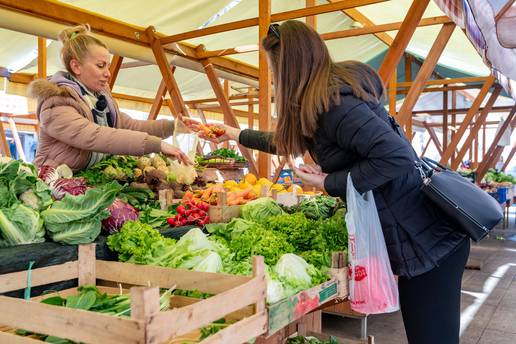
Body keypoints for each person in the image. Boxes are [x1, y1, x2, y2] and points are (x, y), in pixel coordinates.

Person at [189, 20, 470, 344]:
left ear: (290, 66)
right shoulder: (321, 101)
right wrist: (234, 133)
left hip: (428, 241)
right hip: (416, 237)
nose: (276, 78)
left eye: (275, 68)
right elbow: (290, 140)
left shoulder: (337, 103)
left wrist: (330, 182)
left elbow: (397, 157)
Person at [28, 24, 191, 171]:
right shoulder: (56, 103)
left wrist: (174, 126)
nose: (108, 73)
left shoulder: (99, 98)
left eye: (108, 66)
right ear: (76, 66)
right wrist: (156, 145)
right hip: (54, 183)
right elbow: (95, 135)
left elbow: (129, 126)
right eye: (100, 66)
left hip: (87, 179)